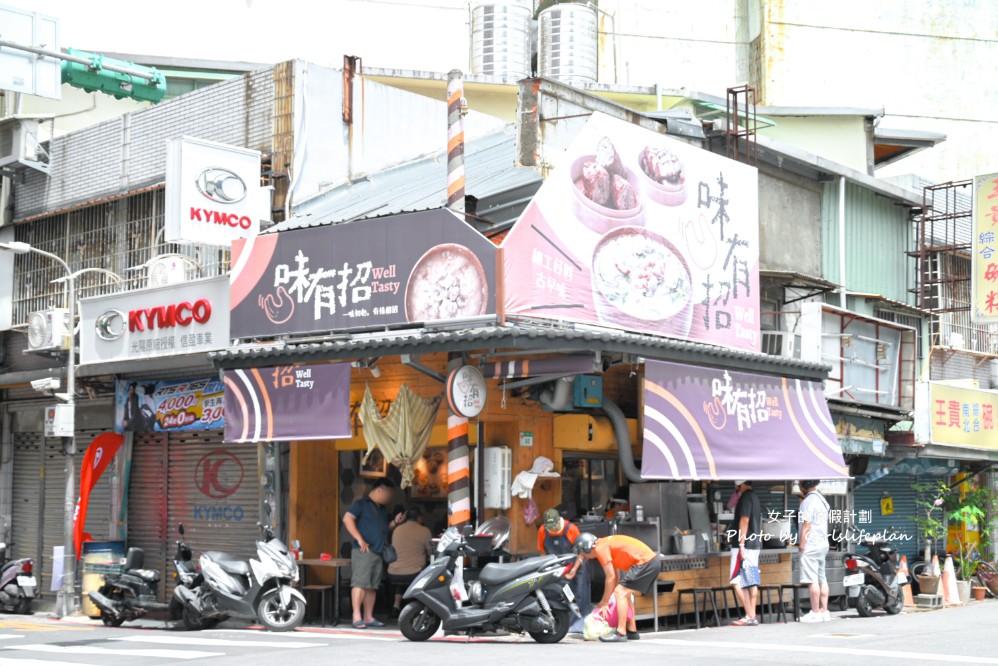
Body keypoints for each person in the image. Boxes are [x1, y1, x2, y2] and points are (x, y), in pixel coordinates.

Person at [566, 533, 660, 643]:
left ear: (587, 547)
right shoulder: (605, 544)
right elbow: (616, 578)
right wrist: (607, 598)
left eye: (583, 553)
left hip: (646, 562)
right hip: (650, 561)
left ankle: (621, 633)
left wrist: (605, 602)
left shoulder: (600, 548)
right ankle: (632, 631)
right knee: (624, 594)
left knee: (620, 592)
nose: (585, 557)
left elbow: (610, 577)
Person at [342, 478, 403, 628]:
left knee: (372, 586)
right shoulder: (361, 504)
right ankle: (356, 616)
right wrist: (359, 539)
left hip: (378, 551)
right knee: (360, 583)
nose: (389, 498)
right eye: (388, 494)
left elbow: (384, 530)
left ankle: (368, 617)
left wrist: (395, 522)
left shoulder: (382, 509)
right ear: (379, 490)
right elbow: (347, 518)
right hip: (363, 550)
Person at [538, 508, 589, 629]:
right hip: (556, 568)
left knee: (577, 597)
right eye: (550, 528)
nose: (553, 530)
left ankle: (577, 626)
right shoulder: (542, 531)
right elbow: (542, 553)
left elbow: (581, 553)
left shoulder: (571, 528)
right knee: (554, 595)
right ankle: (559, 624)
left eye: (554, 527)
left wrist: (573, 570)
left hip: (575, 567)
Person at [387, 505, 432, 616]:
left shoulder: (397, 529)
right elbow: (431, 553)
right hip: (414, 574)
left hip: (393, 573)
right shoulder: (425, 531)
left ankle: (396, 606)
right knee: (425, 573)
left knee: (401, 575)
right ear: (420, 518)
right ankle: (417, 606)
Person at [729, 479, 762, 626]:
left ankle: (749, 615)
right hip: (754, 545)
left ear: (738, 484)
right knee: (750, 581)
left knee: (736, 581)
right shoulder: (754, 496)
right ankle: (751, 615)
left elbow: (744, 520)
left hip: (744, 545)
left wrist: (741, 544)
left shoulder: (745, 497)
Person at [797, 479, 831, 623]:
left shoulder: (808, 502)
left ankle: (815, 612)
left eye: (799, 484)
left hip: (811, 545)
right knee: (822, 578)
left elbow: (806, 525)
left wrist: (801, 544)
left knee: (812, 581)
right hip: (823, 543)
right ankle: (824, 611)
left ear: (804, 486)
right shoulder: (823, 500)